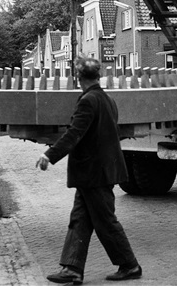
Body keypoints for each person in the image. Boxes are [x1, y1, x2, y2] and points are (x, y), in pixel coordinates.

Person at [36, 57, 141, 284]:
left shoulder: (88, 101)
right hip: (97, 172)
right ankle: (72, 268)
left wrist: (49, 155)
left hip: (94, 173)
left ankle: (130, 265)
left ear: (78, 78)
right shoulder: (107, 99)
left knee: (105, 221)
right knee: (80, 219)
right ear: (98, 76)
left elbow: (74, 134)